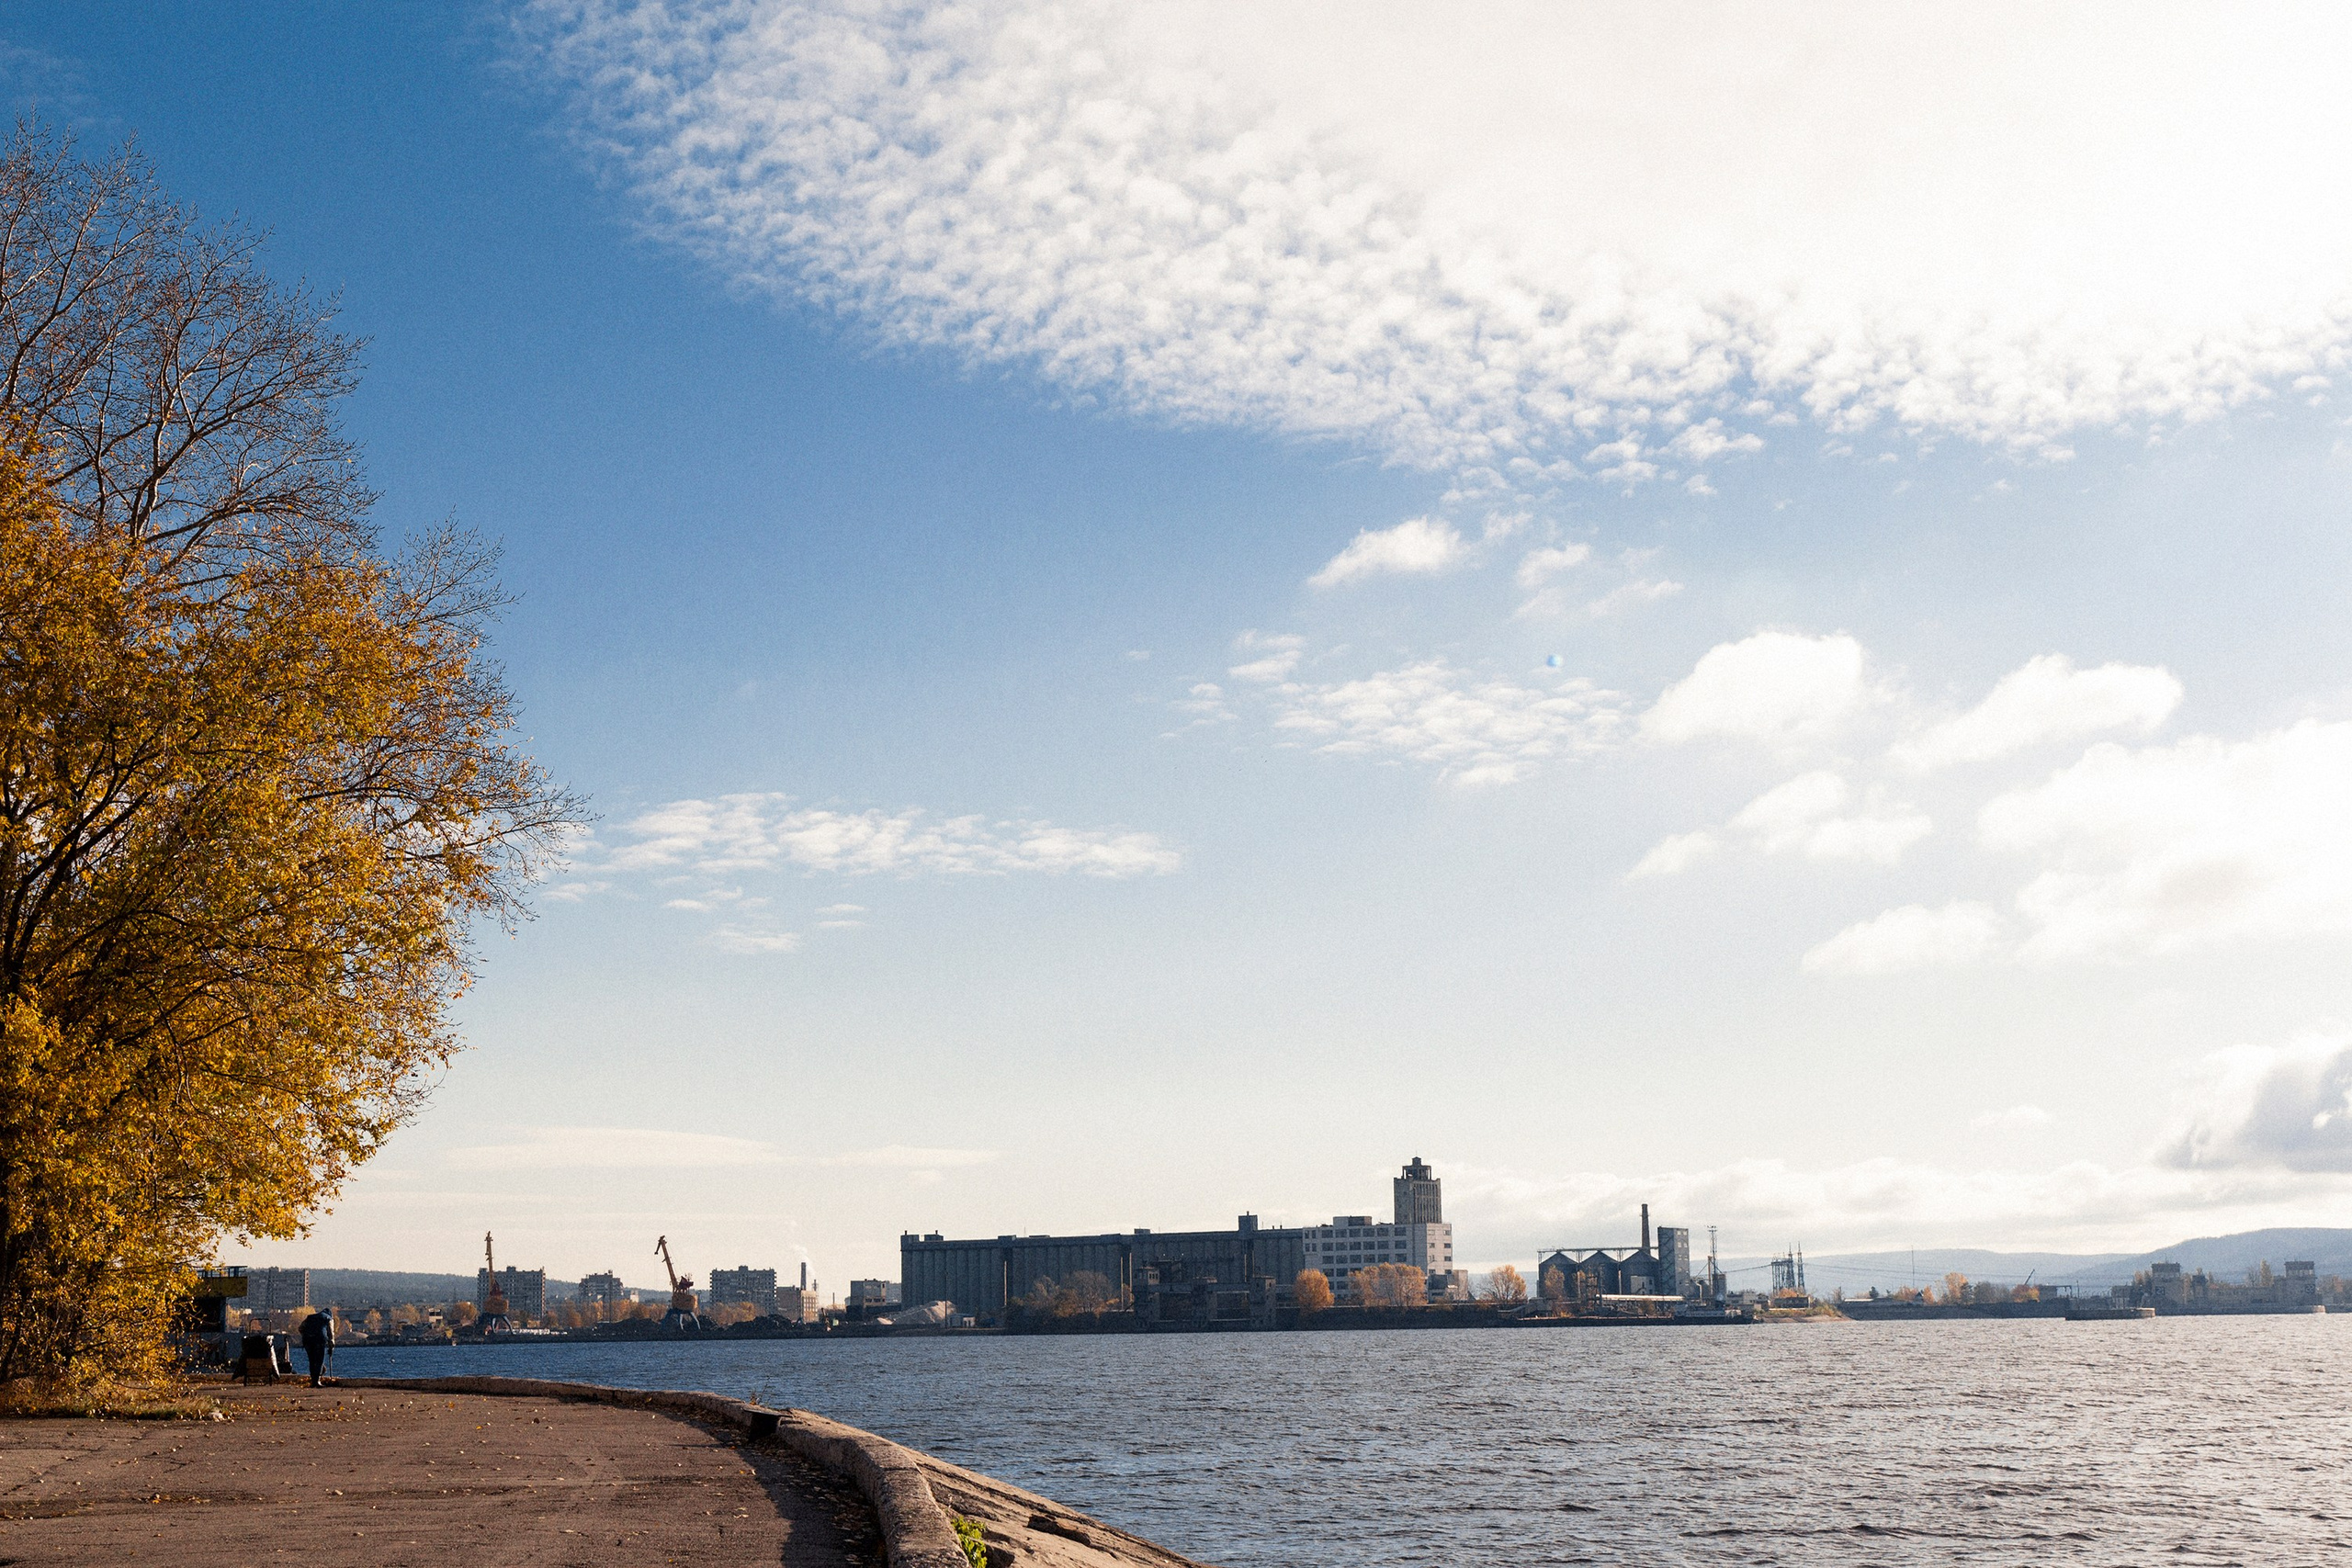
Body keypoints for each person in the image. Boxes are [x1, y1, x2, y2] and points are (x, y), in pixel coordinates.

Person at [297, 1309, 334, 1386]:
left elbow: (300, 1328)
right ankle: (317, 1381)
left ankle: (313, 1380)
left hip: (307, 1340)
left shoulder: (311, 1317)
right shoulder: (328, 1318)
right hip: (319, 1340)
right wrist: (331, 1346)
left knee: (312, 1360)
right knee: (320, 1360)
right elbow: (331, 1333)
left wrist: (305, 1335)